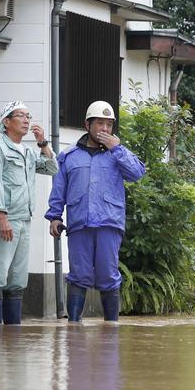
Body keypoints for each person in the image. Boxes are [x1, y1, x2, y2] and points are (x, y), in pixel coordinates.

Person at [45, 101, 146, 322]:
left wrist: (117, 149)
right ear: (87, 125)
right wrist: (54, 216)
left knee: (108, 276)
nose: (104, 129)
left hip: (109, 223)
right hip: (79, 223)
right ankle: (73, 327)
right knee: (78, 276)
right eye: (99, 123)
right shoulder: (69, 156)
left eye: (109, 125)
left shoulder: (117, 154)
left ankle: (111, 328)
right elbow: (59, 189)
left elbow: (137, 173)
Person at [0, 101, 58, 324]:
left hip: (25, 220)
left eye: (29, 116)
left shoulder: (27, 152)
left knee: (18, 277)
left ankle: (12, 332)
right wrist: (2, 217)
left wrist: (42, 142)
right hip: (6, 220)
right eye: (20, 116)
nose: (27, 120)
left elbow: (52, 168)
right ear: (6, 122)